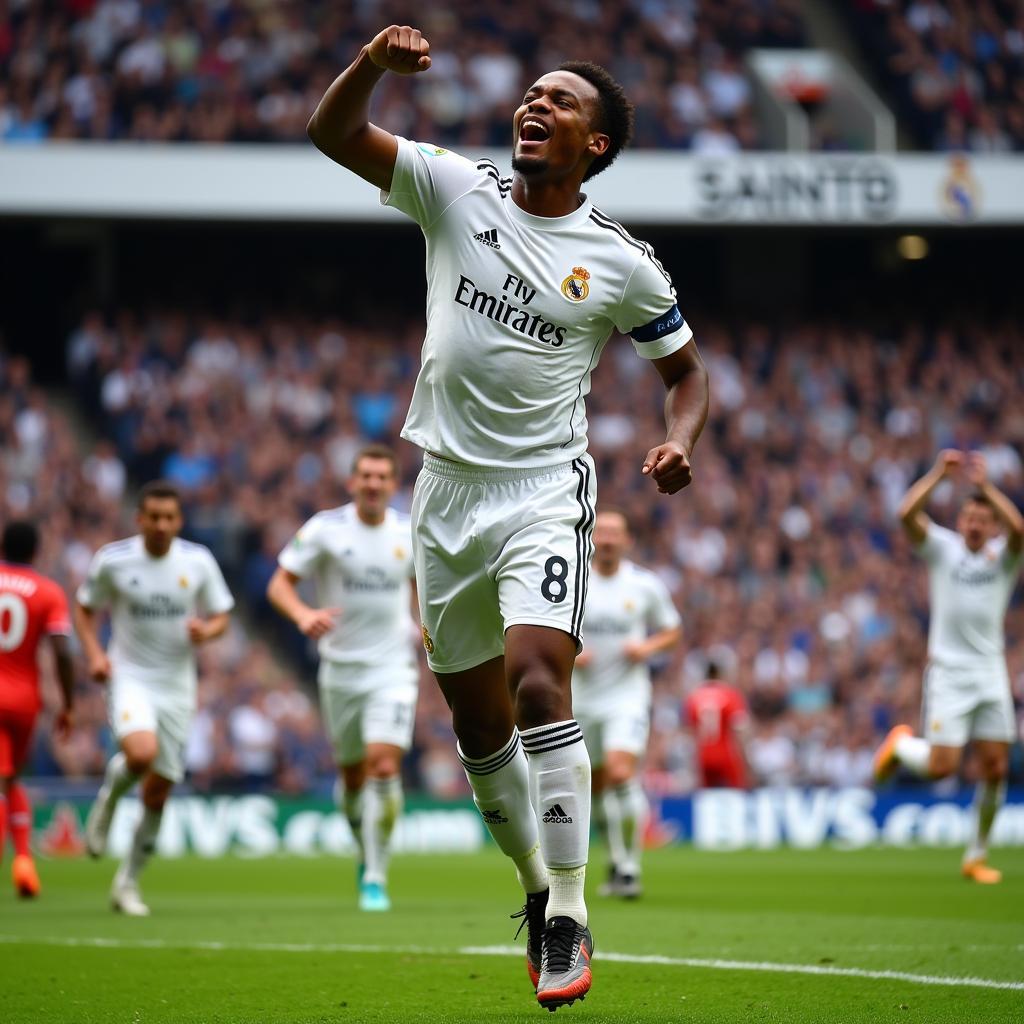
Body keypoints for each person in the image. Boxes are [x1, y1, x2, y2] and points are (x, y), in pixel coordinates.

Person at [307, 24, 708, 1011]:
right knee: (478, 724)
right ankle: (535, 884)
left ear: (596, 145)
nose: (536, 104)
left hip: (542, 489)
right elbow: (330, 133)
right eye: (531, 93)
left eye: (561, 101)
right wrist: (369, 64)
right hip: (442, 495)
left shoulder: (620, 262)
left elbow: (685, 374)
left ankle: (569, 908)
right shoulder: (455, 187)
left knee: (537, 682)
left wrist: (678, 437)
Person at [267, 445, 417, 912]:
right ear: (352, 482)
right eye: (365, 476)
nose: (373, 483)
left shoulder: (409, 532)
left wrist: (424, 624)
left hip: (393, 668)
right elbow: (279, 583)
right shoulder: (325, 530)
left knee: (384, 765)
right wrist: (302, 613)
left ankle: (375, 874)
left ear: (393, 485)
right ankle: (363, 845)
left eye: (382, 477)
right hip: (340, 670)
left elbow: (430, 586)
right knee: (352, 778)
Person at [75, 481, 234, 914]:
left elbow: (222, 615)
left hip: (178, 685)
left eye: (170, 518)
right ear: (140, 519)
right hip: (130, 677)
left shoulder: (197, 562)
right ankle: (110, 798)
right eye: (154, 517)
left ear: (178, 521)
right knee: (141, 754)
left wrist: (208, 630)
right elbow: (85, 608)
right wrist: (93, 653)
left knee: (159, 790)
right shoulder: (114, 560)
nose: (162, 525)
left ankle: (127, 883)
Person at [874, 450, 1022, 883]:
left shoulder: (1004, 556)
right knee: (942, 767)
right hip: (949, 673)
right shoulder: (943, 549)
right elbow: (905, 513)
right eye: (969, 518)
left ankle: (976, 856)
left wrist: (986, 488)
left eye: (983, 519)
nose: (975, 524)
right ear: (960, 522)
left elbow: (1019, 529)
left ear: (990, 525)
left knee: (995, 766)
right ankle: (901, 747)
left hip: (990, 671)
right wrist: (938, 474)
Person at [571, 509, 681, 899]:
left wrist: (645, 647)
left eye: (616, 533)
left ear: (627, 540)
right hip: (581, 698)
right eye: (602, 532)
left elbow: (672, 629)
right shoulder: (573, 578)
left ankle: (631, 866)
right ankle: (616, 861)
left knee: (621, 774)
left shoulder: (643, 585)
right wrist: (571, 651)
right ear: (591, 536)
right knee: (594, 786)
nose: (609, 540)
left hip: (626, 696)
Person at [0, 521, 74, 898]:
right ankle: (25, 859)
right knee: (11, 779)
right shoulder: (49, 592)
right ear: (35, 551)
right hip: (25, 701)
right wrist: (68, 704)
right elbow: (62, 652)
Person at [683, 660, 750, 790]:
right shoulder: (730, 694)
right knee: (737, 792)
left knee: (706, 797)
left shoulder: (694, 697)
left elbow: (689, 730)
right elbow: (739, 728)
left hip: (703, 754)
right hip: (725, 753)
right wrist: (745, 758)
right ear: (720, 674)